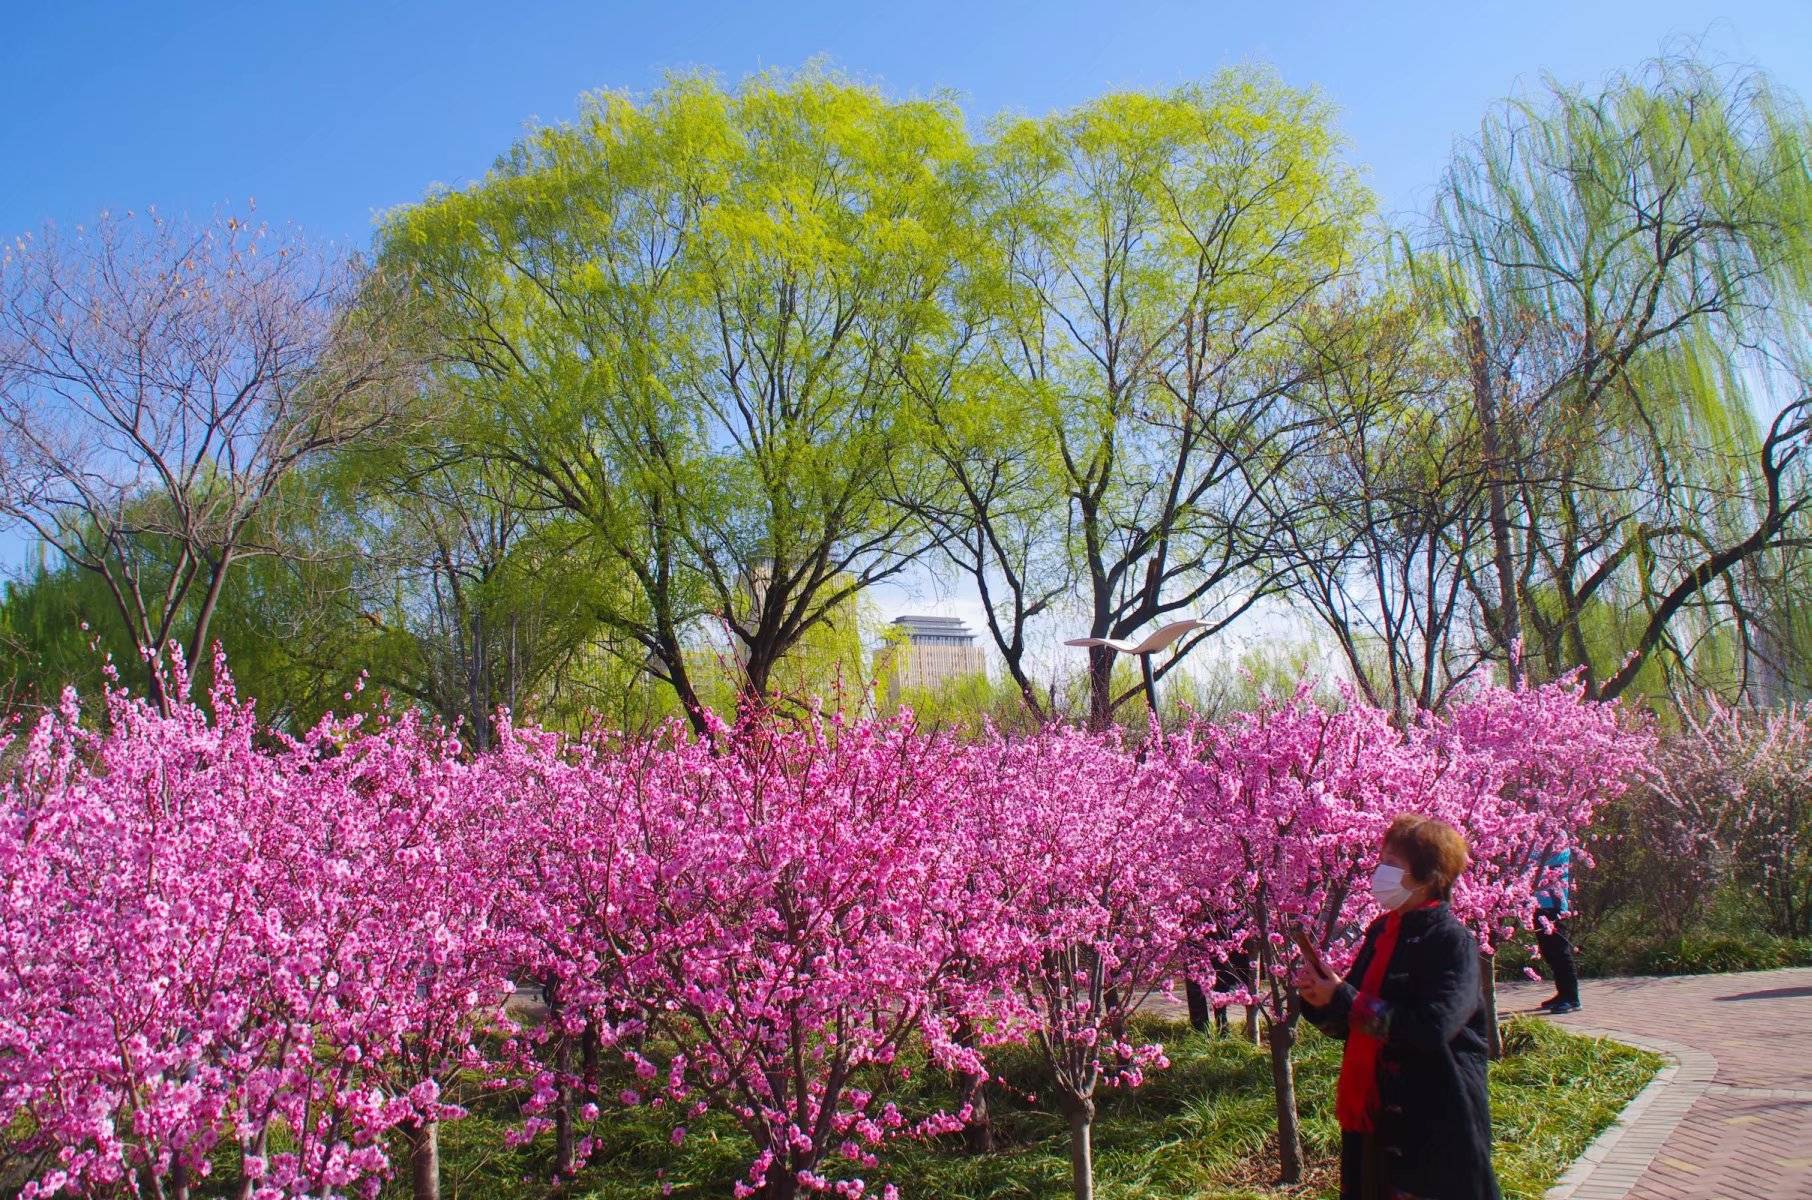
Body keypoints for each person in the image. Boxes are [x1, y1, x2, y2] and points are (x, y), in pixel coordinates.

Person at [1297, 814, 1500, 1200]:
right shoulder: (1382, 932)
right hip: (1374, 1116)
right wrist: (1320, 1000)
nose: (1380, 873)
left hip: (1434, 1115)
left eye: (1393, 864)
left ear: (1427, 878)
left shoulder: (1452, 942)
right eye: (1382, 861)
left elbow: (1432, 1028)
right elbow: (1351, 1016)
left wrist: (1346, 999)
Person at [1534, 846, 1581, 1014]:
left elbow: (1551, 860)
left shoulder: (1558, 836)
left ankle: (1572, 997)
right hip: (1537, 903)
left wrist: (1531, 858)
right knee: (1548, 952)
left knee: (1560, 951)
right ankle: (1562, 993)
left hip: (1554, 905)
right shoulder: (1538, 834)